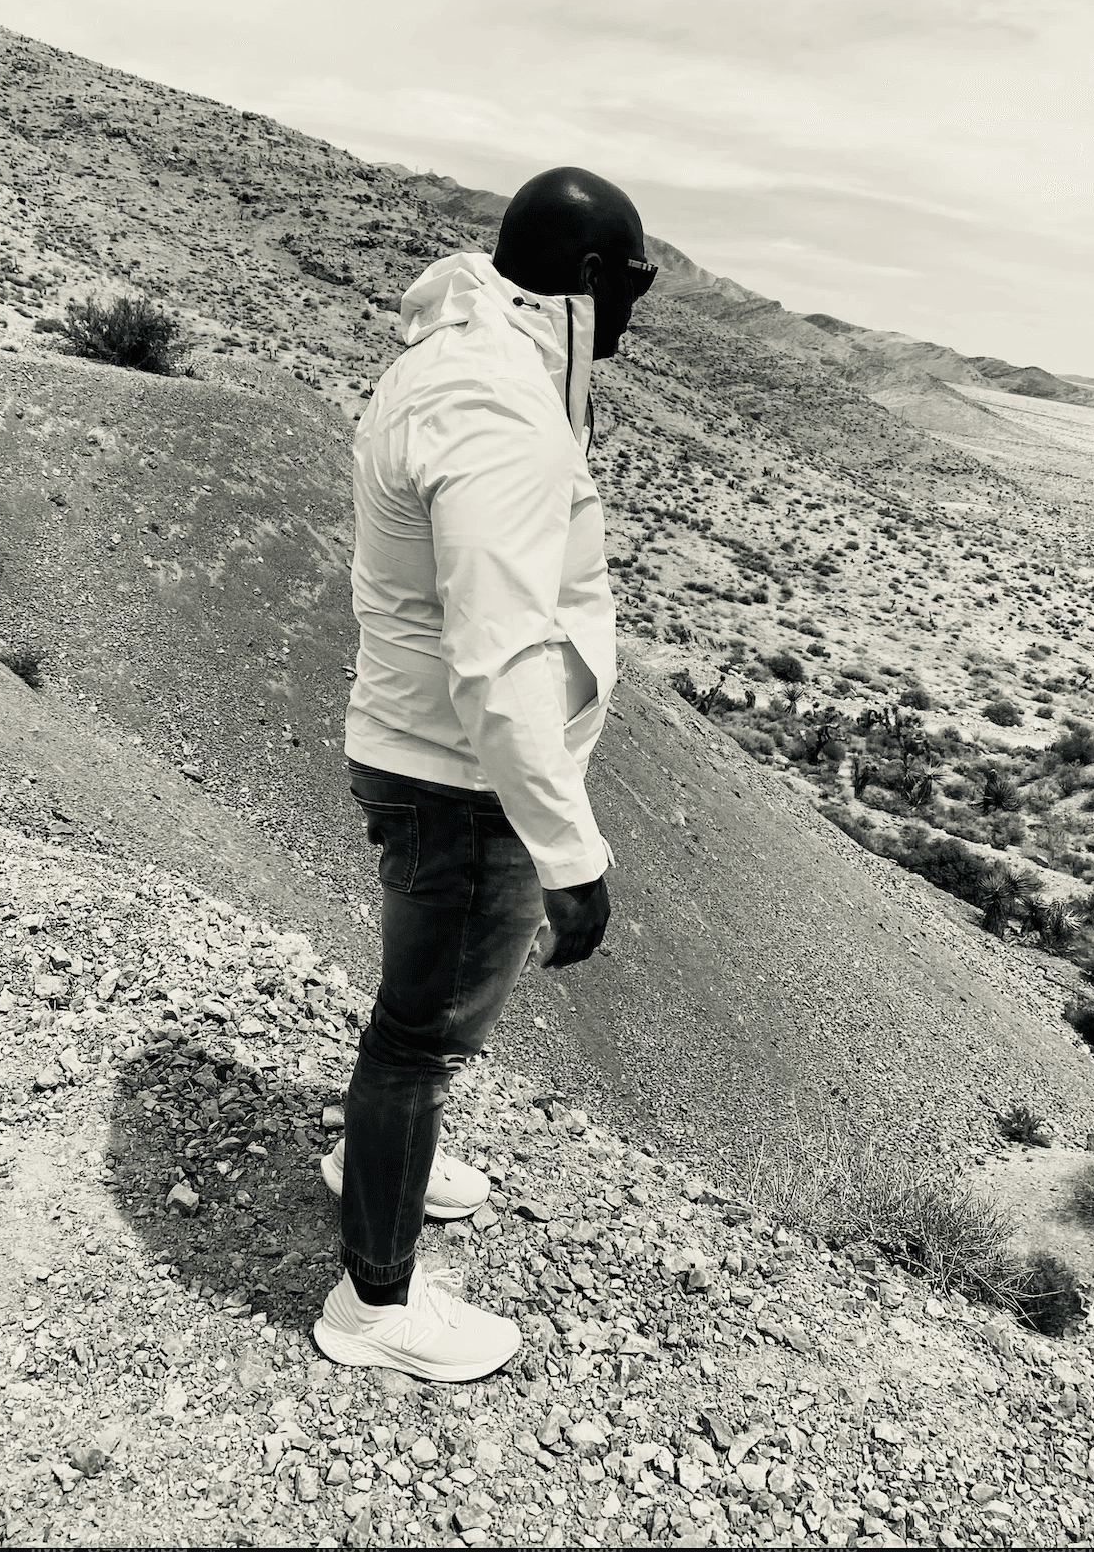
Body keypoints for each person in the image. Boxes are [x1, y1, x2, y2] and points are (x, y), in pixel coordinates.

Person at [311, 167, 658, 1380]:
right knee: (418, 1035)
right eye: (635, 287)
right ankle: (376, 1304)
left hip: (418, 750)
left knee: (418, 1015)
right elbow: (500, 656)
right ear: (594, 281)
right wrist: (572, 857)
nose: (634, 316)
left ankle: (372, 1165)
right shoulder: (499, 402)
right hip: (462, 779)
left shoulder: (451, 355)